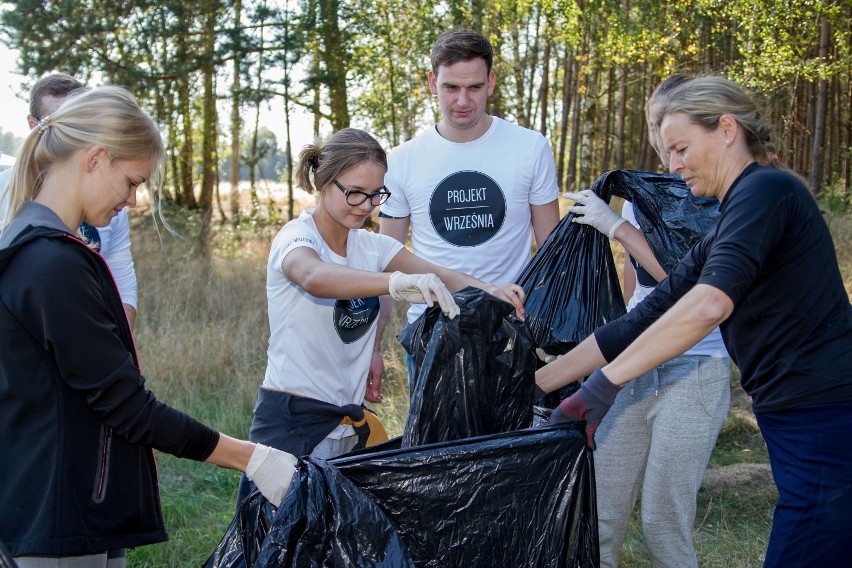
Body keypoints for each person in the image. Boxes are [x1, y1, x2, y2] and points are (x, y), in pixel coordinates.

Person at [537, 75, 852, 567]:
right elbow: (646, 314)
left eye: (681, 148)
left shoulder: (767, 190)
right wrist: (541, 383)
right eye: (667, 154)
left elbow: (708, 307)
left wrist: (602, 387)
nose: (673, 166)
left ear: (726, 129)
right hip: (792, 411)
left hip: (825, 411)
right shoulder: (731, 218)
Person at [0, 85, 298, 567]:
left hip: (40, 498)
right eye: (132, 181)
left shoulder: (27, 240)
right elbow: (126, 406)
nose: (134, 201)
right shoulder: (53, 264)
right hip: (61, 514)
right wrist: (251, 458)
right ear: (95, 158)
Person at [235, 127, 526, 506]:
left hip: (348, 424)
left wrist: (490, 289)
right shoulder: (296, 237)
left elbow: (439, 274)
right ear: (324, 181)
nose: (365, 204)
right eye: (355, 192)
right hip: (291, 422)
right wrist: (394, 283)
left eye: (376, 194)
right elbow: (313, 277)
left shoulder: (371, 247)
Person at [560, 74, 731, 568]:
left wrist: (617, 227)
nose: (660, 134)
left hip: (695, 367)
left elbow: (687, 282)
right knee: (602, 517)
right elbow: (642, 290)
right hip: (631, 370)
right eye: (654, 121)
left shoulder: (723, 193)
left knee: (662, 521)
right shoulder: (645, 191)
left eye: (669, 122)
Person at [378, 29, 560, 382]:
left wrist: (554, 330)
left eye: (474, 87)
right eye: (451, 88)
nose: (463, 100)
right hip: (432, 334)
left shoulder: (530, 148)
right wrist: (372, 349)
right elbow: (385, 262)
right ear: (433, 83)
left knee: (510, 438)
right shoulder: (401, 160)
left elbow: (554, 250)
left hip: (509, 332)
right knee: (435, 441)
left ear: (491, 82)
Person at [0, 73, 139, 328]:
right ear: (33, 125)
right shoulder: (3, 192)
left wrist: (119, 347)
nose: (70, 136)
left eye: (79, 124)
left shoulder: (110, 202)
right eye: (59, 124)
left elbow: (123, 283)